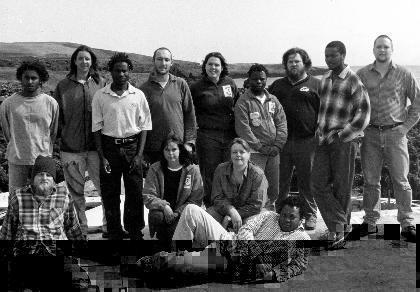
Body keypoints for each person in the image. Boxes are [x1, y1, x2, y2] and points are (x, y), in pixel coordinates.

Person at [138, 196, 310, 284]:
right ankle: (174, 258)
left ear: (300, 219)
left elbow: (298, 266)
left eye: (292, 217)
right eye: (284, 215)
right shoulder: (270, 216)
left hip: (240, 264)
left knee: (188, 263)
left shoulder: (302, 239)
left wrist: (275, 274)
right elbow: (246, 229)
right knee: (191, 210)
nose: (286, 219)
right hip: (230, 242)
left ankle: (155, 262)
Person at [357, 35, 419, 243]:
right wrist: (357, 129)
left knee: (401, 181)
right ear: (373, 49)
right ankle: (371, 221)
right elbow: (353, 102)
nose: (382, 50)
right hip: (371, 134)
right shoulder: (363, 74)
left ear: (392, 49)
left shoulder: (404, 73)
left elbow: (417, 102)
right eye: (378, 47)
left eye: (386, 47)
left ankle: (407, 223)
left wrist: (405, 127)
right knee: (370, 181)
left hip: (395, 134)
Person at [312, 41, 370, 249]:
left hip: (343, 142)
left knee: (342, 186)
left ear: (343, 55)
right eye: (326, 56)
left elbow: (364, 114)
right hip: (322, 140)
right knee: (317, 183)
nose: (328, 60)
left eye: (333, 56)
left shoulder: (353, 80)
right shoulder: (325, 79)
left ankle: (337, 231)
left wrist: (343, 135)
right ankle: (341, 226)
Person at [0, 155, 89, 290]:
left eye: (48, 175)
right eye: (40, 174)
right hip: (27, 252)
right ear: (33, 179)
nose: (44, 178)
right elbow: (7, 230)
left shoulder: (63, 197)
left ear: (53, 180)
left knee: (81, 284)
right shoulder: (17, 197)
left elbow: (72, 227)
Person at [92, 52, 152, 240]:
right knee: (110, 193)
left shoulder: (138, 95)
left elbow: (145, 126)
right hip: (109, 147)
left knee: (134, 191)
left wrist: (139, 154)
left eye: (124, 71)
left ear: (129, 72)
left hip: (132, 146)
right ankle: (114, 232)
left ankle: (135, 231)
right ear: (111, 72)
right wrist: (102, 157)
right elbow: (96, 128)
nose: (121, 75)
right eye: (117, 71)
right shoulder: (100, 96)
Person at [54, 45, 107, 238]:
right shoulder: (63, 86)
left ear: (92, 61)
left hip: (96, 149)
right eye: (80, 58)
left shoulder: (100, 83)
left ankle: (108, 227)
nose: (84, 62)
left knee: (105, 189)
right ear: (74, 61)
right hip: (71, 148)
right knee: (76, 194)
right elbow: (58, 118)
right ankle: (80, 230)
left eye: (87, 59)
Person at [268, 47, 320, 230]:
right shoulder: (277, 86)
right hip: (282, 142)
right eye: (290, 61)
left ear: (305, 63)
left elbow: (323, 113)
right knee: (280, 181)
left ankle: (310, 214)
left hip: (307, 142)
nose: (293, 64)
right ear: (285, 65)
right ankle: (279, 215)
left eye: (297, 61)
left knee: (307, 181)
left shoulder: (316, 84)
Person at [0, 60, 58, 194]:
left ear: (40, 80)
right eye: (27, 77)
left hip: (42, 161)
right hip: (17, 160)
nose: (30, 81)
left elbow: (53, 132)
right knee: (16, 198)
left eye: (34, 78)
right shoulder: (8, 104)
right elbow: (7, 132)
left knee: (43, 197)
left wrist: (45, 153)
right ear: (21, 78)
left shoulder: (51, 103)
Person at [234, 64, 288, 210]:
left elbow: (282, 123)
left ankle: (270, 217)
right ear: (249, 80)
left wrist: (278, 145)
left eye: (262, 79)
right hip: (255, 153)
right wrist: (259, 147)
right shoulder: (243, 101)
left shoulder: (273, 100)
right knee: (255, 188)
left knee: (273, 189)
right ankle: (253, 218)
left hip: (273, 153)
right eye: (255, 79)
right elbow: (243, 128)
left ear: (266, 80)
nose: (259, 82)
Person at [190, 52, 240, 206]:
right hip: (207, 137)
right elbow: (189, 113)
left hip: (230, 136)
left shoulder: (230, 83)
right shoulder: (196, 87)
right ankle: (212, 210)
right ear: (204, 66)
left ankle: (229, 209)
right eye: (210, 64)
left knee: (230, 173)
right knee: (211, 174)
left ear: (222, 67)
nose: (213, 67)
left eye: (217, 65)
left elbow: (239, 107)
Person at [143, 134, 204, 247]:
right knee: (157, 218)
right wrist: (164, 206)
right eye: (167, 150)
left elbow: (195, 201)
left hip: (182, 214)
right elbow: (148, 195)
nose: (170, 153)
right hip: (163, 212)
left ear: (180, 150)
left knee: (175, 239)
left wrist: (177, 213)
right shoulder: (155, 169)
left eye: (174, 149)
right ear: (162, 151)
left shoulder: (193, 170)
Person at [140, 47, 197, 164]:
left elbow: (190, 115)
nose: (163, 63)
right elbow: (140, 122)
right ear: (153, 61)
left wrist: (189, 143)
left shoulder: (181, 84)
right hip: (154, 150)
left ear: (171, 63)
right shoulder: (143, 89)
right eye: (159, 59)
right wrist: (141, 152)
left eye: (166, 60)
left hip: (179, 147)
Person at [207, 138, 268, 233]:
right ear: (230, 155)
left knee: (251, 224)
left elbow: (256, 205)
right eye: (234, 152)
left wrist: (234, 215)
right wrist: (231, 211)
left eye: (242, 152)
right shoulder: (220, 169)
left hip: (249, 213)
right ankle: (212, 246)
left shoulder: (258, 174)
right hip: (225, 210)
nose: (238, 155)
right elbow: (216, 198)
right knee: (208, 215)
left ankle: (244, 247)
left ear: (249, 154)